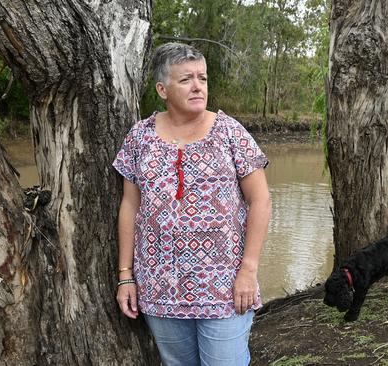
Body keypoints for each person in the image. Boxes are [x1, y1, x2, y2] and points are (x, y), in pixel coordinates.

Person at [112, 42, 271, 366]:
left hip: (224, 287)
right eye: (186, 79)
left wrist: (249, 270)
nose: (198, 86)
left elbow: (261, 200)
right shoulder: (139, 137)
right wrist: (126, 275)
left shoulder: (230, 132)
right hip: (159, 285)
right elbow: (130, 206)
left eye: (203, 78)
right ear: (162, 89)